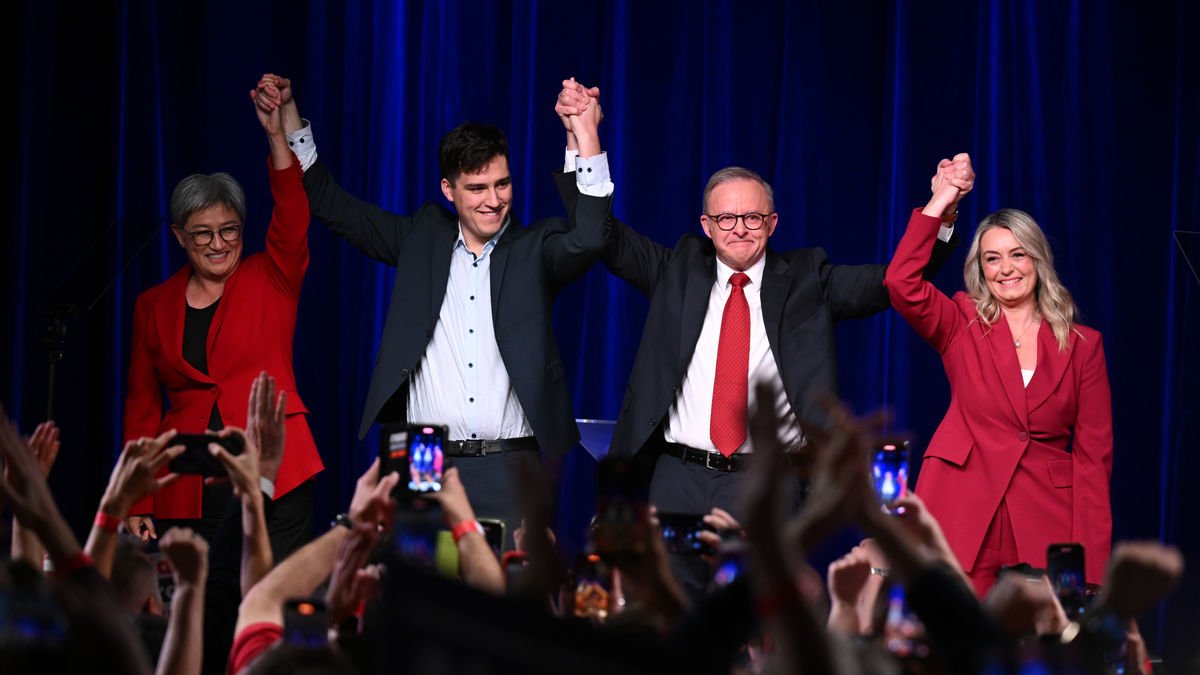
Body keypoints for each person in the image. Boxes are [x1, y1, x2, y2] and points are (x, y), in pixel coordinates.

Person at [553, 85, 961, 599]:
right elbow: (601, 235)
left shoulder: (809, 279)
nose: (739, 229)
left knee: (748, 626)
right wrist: (585, 138)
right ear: (706, 225)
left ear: (772, 223)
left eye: (752, 218)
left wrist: (939, 209)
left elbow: (896, 281)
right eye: (726, 219)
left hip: (766, 487)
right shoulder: (677, 268)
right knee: (665, 619)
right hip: (675, 477)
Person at [253, 74, 613, 534]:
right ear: (449, 190)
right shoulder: (421, 237)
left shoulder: (534, 248)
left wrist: (585, 136)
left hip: (511, 459)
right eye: (477, 189)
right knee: (424, 594)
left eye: (502, 185)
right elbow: (333, 206)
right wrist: (289, 123)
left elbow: (589, 237)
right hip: (425, 457)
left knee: (508, 597)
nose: (493, 201)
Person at [885, 154, 1113, 596]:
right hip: (959, 505)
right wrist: (943, 200)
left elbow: (1093, 460)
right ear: (982, 270)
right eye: (992, 259)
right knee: (954, 648)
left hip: (1044, 516)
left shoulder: (1085, 346)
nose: (1006, 268)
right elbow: (901, 283)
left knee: (1041, 656)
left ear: (1038, 260)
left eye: (1017, 255)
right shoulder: (960, 321)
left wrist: (1090, 564)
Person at [122, 85, 322, 561]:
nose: (217, 243)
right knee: (200, 610)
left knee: (264, 609)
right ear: (179, 236)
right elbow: (142, 410)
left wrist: (277, 139)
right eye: (202, 234)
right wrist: (137, 495)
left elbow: (293, 212)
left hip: (278, 470)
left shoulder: (271, 275)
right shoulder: (153, 304)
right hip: (188, 485)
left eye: (229, 230)